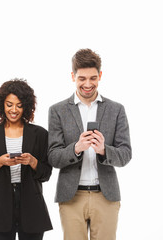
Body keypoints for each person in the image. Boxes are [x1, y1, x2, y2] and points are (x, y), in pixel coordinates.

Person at [48, 48, 132, 240]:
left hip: (106, 197)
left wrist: (104, 150)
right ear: (73, 76)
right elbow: (52, 156)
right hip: (71, 197)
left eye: (93, 78)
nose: (87, 84)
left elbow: (126, 154)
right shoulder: (57, 110)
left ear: (100, 76)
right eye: (82, 78)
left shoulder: (116, 109)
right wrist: (76, 148)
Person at [0, 79, 53, 240]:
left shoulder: (40, 134)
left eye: (19, 105)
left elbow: (46, 174)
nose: (14, 110)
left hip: (32, 205)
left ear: (26, 106)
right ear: (2, 105)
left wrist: (33, 162)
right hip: (0, 206)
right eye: (9, 104)